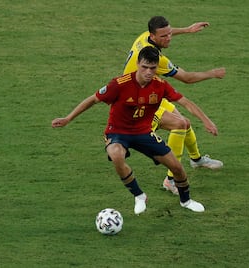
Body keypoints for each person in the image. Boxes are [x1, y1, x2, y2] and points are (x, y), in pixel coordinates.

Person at [52, 47, 218, 214]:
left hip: (143, 133)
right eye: (144, 67)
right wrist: (68, 118)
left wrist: (207, 121)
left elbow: (186, 102)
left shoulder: (160, 86)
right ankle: (139, 195)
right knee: (116, 155)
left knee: (177, 168)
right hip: (117, 132)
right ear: (138, 64)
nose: (148, 72)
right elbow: (93, 99)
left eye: (152, 68)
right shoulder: (119, 84)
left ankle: (186, 200)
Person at [123, 16, 224, 195]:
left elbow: (165, 32)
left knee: (184, 123)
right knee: (180, 124)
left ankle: (196, 159)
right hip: (136, 103)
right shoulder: (157, 60)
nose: (169, 38)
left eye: (169, 33)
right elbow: (187, 78)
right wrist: (212, 73)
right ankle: (171, 180)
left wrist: (187, 29)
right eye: (164, 36)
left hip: (150, 93)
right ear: (154, 37)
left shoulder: (145, 36)